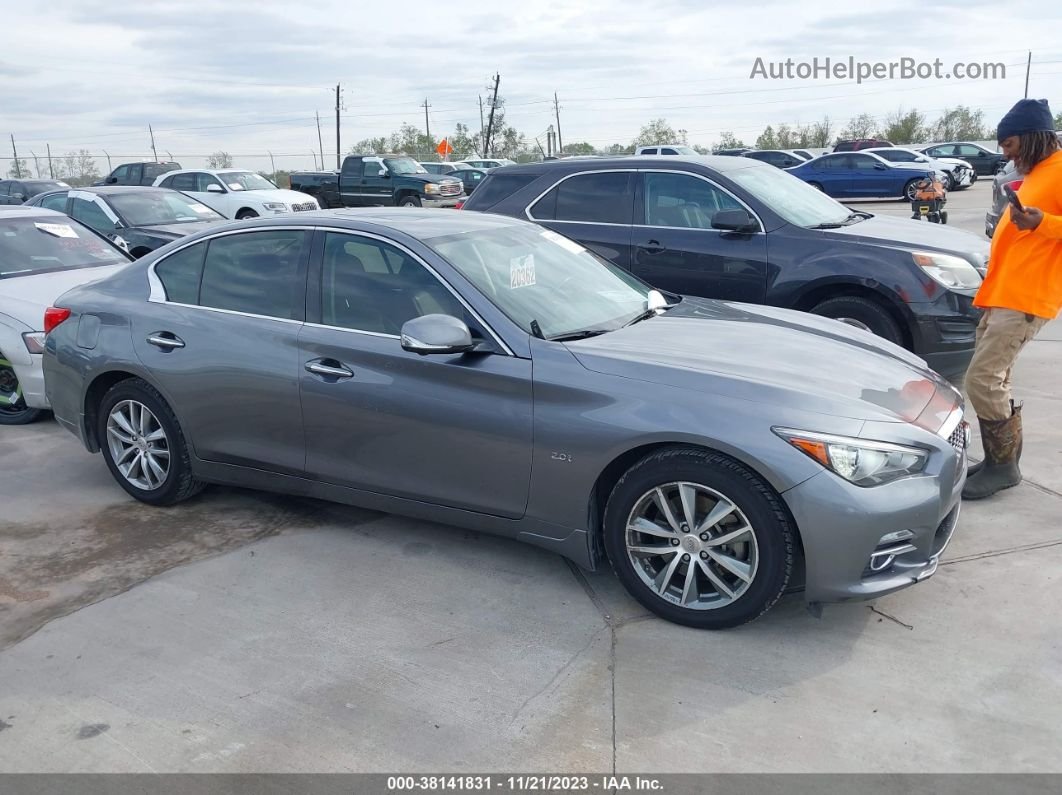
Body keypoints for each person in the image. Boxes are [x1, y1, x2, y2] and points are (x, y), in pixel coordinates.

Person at [963, 98, 1062, 499]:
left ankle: (1004, 466)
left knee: (980, 379)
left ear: (1033, 138)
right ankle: (999, 460)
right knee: (995, 379)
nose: (1005, 153)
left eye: (1010, 144)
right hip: (1004, 293)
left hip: (1026, 296)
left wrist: (1043, 223)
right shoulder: (1037, 172)